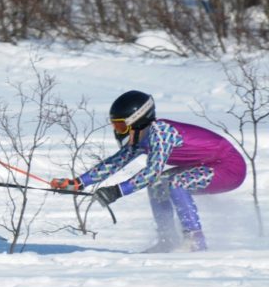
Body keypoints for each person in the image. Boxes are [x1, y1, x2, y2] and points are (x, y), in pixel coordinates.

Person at [51, 90, 246, 252]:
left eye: (120, 125)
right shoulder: (141, 137)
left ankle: (195, 240)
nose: (117, 131)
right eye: (115, 126)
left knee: (174, 183)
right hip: (205, 166)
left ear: (137, 120)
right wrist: (78, 182)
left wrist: (116, 191)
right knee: (158, 184)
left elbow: (151, 171)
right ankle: (167, 240)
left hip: (229, 167)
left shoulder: (161, 133)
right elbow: (115, 162)